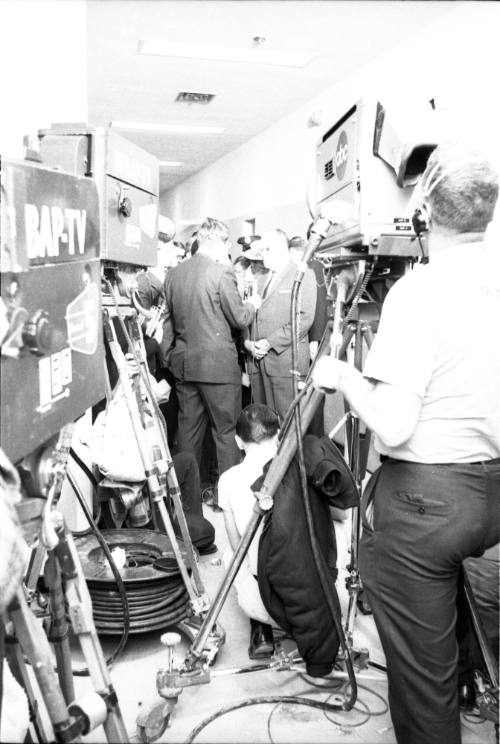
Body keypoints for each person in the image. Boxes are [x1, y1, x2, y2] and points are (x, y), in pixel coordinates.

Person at [312, 142, 500, 744]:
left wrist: (343, 376)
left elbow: (391, 425)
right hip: (492, 491)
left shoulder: (418, 292)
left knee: (426, 678)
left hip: (428, 503)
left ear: (423, 209)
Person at [218, 403, 359, 671]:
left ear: (238, 442)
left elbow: (239, 548)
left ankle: (261, 629)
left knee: (230, 554)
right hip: (322, 600)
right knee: (336, 525)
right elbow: (342, 515)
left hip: (262, 602)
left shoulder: (227, 479)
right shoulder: (303, 465)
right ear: (281, 433)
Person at [162, 217, 261, 485]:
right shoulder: (222, 273)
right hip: (218, 369)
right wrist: (252, 304)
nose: (228, 247)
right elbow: (239, 318)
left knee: (188, 433)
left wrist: (170, 359)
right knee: (226, 432)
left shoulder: (174, 275)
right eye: (227, 241)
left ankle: (187, 497)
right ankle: (225, 496)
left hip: (185, 366)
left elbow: (167, 326)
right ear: (215, 240)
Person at [243, 229, 316, 422]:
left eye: (265, 250)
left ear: (279, 249)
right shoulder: (263, 277)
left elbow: (303, 319)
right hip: (260, 364)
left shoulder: (303, 274)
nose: (261, 256)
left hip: (284, 364)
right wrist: (249, 343)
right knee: (264, 426)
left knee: (287, 425)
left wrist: (269, 343)